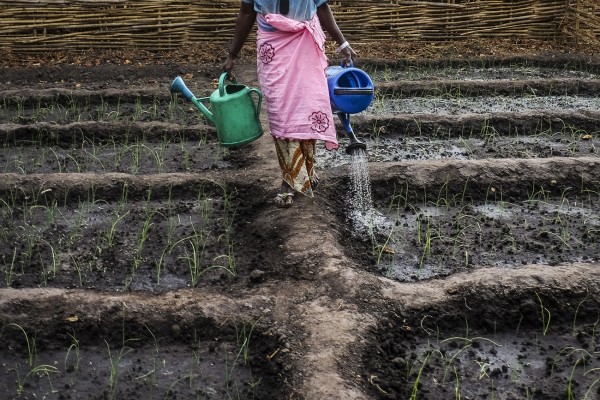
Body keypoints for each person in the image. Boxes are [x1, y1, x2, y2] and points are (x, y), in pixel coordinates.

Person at [222, 0, 355, 207]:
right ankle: (290, 178)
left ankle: (304, 173)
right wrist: (232, 55)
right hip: (273, 48)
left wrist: (343, 43)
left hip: (305, 43)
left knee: (308, 108)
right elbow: (246, 13)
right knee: (282, 114)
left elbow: (321, 6)